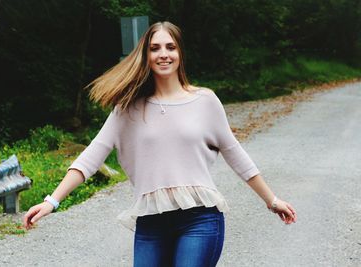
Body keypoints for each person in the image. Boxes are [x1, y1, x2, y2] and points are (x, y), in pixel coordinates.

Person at [23, 21, 297, 267]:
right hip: (151, 222)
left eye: (170, 47)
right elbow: (90, 158)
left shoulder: (205, 101)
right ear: (146, 55)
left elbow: (236, 154)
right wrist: (52, 201)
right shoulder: (127, 109)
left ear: (180, 54)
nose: (163, 54)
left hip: (199, 220)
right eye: (155, 48)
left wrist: (271, 200)